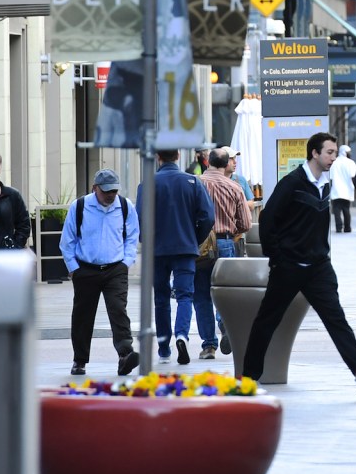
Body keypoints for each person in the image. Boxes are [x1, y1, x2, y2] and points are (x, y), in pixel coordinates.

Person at [243, 132, 356, 393]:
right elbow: (268, 221)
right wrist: (278, 258)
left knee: (336, 318)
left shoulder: (324, 183)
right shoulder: (292, 182)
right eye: (330, 152)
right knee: (267, 321)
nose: (333, 158)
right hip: (289, 266)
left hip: (318, 267)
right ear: (315, 153)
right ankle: (247, 380)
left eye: (335, 153)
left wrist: (323, 257)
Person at [60, 169, 141, 376]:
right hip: (86, 269)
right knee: (82, 316)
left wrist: (126, 262)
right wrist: (74, 269)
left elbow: (132, 236)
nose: (110, 195)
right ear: (94, 188)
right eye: (106, 191)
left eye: (114, 191)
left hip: (115, 268)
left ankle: (125, 354)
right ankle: (79, 360)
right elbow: (67, 241)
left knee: (118, 310)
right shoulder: (79, 207)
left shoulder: (125, 206)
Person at [137, 149, 214, 365]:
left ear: (158, 157)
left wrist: (147, 240)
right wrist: (194, 237)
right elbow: (208, 216)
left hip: (157, 250)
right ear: (178, 156)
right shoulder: (192, 181)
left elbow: (139, 218)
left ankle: (163, 346)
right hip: (185, 248)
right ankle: (182, 335)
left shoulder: (147, 184)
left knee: (161, 298)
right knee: (185, 295)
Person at [196, 148, 249, 359]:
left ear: (208, 161)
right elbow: (245, 223)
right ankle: (224, 323)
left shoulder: (195, 184)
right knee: (224, 291)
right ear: (226, 163)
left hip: (199, 244)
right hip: (226, 242)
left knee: (200, 295)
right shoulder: (235, 187)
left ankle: (208, 346)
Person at [329, 144, 356, 233]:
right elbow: (353, 174)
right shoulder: (351, 163)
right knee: (346, 209)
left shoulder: (334, 162)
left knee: (336, 209)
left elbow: (331, 176)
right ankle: (347, 227)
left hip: (336, 189)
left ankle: (338, 227)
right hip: (347, 189)